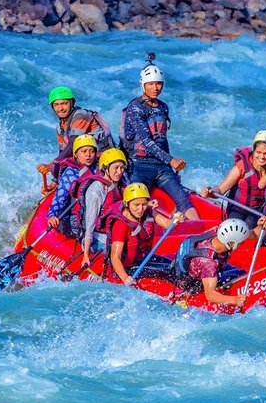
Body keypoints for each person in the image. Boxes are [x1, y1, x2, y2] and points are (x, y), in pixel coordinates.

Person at [120, 56, 200, 221]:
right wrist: (171, 160)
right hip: (138, 165)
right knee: (137, 200)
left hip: (161, 165)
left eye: (158, 83)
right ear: (143, 85)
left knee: (183, 199)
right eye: (150, 84)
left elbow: (162, 139)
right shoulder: (135, 107)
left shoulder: (163, 106)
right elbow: (146, 142)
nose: (155, 88)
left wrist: (171, 167)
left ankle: (200, 231)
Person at [176, 218, 266, 308]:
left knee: (239, 272)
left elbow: (253, 235)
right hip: (194, 283)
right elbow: (210, 296)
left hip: (199, 267)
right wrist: (235, 300)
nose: (242, 244)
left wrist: (261, 227)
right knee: (238, 274)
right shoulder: (209, 264)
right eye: (241, 243)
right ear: (231, 243)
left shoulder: (219, 232)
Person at [201, 130, 266, 228]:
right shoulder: (242, 166)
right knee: (237, 228)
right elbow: (220, 190)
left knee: (249, 226)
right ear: (253, 151)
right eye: (258, 152)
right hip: (237, 208)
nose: (261, 157)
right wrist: (209, 192)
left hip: (258, 211)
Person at [105, 183, 181, 286]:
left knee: (175, 266)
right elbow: (115, 257)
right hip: (130, 269)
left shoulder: (148, 211)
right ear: (127, 204)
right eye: (136, 205)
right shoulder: (120, 225)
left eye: (144, 204)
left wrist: (176, 220)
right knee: (169, 272)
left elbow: (167, 224)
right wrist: (125, 278)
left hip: (144, 260)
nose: (141, 209)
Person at [36, 87, 114, 177]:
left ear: (72, 103)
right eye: (56, 105)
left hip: (105, 160)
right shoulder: (59, 128)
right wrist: (55, 182)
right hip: (88, 162)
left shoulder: (80, 115)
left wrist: (50, 166)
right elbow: (63, 155)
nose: (60, 108)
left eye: (64, 103)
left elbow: (73, 144)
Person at [73, 147, 128, 267]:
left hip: (113, 233)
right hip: (96, 237)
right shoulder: (96, 191)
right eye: (116, 168)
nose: (119, 172)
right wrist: (86, 255)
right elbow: (90, 224)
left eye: (122, 168)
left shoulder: (119, 184)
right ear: (105, 168)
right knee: (125, 251)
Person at [47, 135, 98, 232]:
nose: (88, 155)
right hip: (74, 219)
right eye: (84, 151)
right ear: (76, 154)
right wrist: (52, 215)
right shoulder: (70, 173)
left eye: (91, 151)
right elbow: (60, 197)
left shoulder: (98, 168)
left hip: (94, 214)